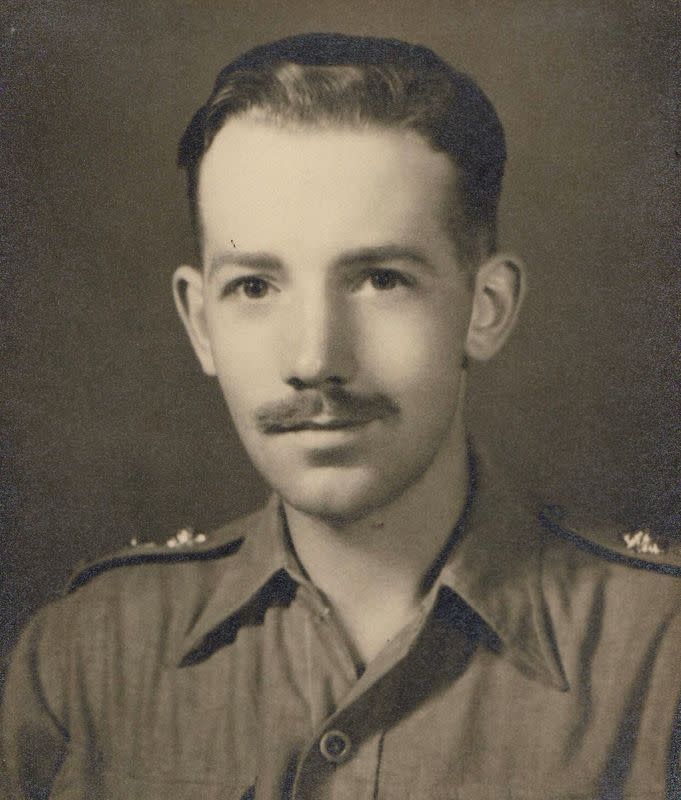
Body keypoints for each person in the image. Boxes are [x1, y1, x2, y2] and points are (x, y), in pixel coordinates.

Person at [1, 32, 679, 800]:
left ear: (485, 309)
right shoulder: (82, 658)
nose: (315, 356)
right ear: (199, 323)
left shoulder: (661, 657)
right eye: (255, 287)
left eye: (380, 279)